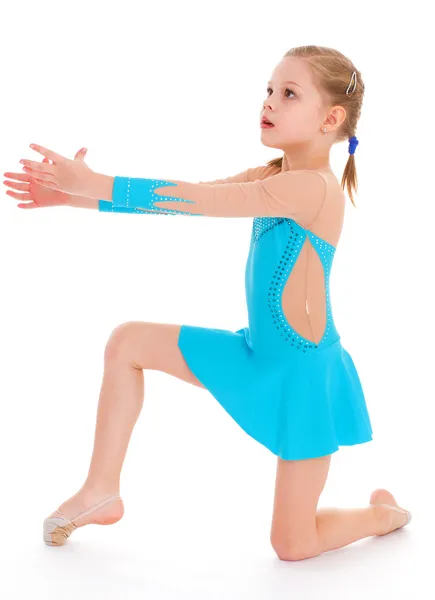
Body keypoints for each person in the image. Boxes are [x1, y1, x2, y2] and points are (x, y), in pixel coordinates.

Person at [3, 45, 411, 559]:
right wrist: (76, 197)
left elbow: (202, 203)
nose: (269, 102)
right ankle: (100, 489)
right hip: (253, 355)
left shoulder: (313, 187)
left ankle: (383, 514)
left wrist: (97, 183)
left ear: (331, 119)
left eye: (288, 94)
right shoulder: (273, 176)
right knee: (127, 341)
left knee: (293, 543)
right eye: (268, 90)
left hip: (303, 378)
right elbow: (191, 194)